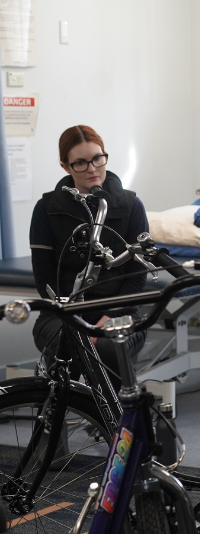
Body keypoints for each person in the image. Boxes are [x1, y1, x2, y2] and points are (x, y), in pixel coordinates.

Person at [29, 125, 149, 390]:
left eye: (97, 158)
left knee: (108, 346)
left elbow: (137, 275)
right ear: (65, 166)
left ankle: (118, 423)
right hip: (63, 313)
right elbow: (44, 278)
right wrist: (74, 320)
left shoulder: (131, 206)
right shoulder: (47, 209)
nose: (92, 168)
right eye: (80, 163)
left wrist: (110, 315)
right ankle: (54, 423)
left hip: (120, 311)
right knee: (68, 343)